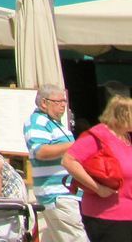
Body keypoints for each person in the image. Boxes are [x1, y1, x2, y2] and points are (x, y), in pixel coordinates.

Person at [63, 94, 132, 242]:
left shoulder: (126, 138)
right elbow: (68, 161)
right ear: (123, 115)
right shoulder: (99, 135)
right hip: (107, 217)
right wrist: (98, 188)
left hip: (126, 214)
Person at [25, 84, 88, 242]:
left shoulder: (57, 124)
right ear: (44, 103)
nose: (63, 105)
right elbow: (40, 151)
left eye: (64, 101)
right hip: (57, 194)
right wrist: (77, 144)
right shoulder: (37, 121)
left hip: (65, 193)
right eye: (58, 101)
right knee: (77, 239)